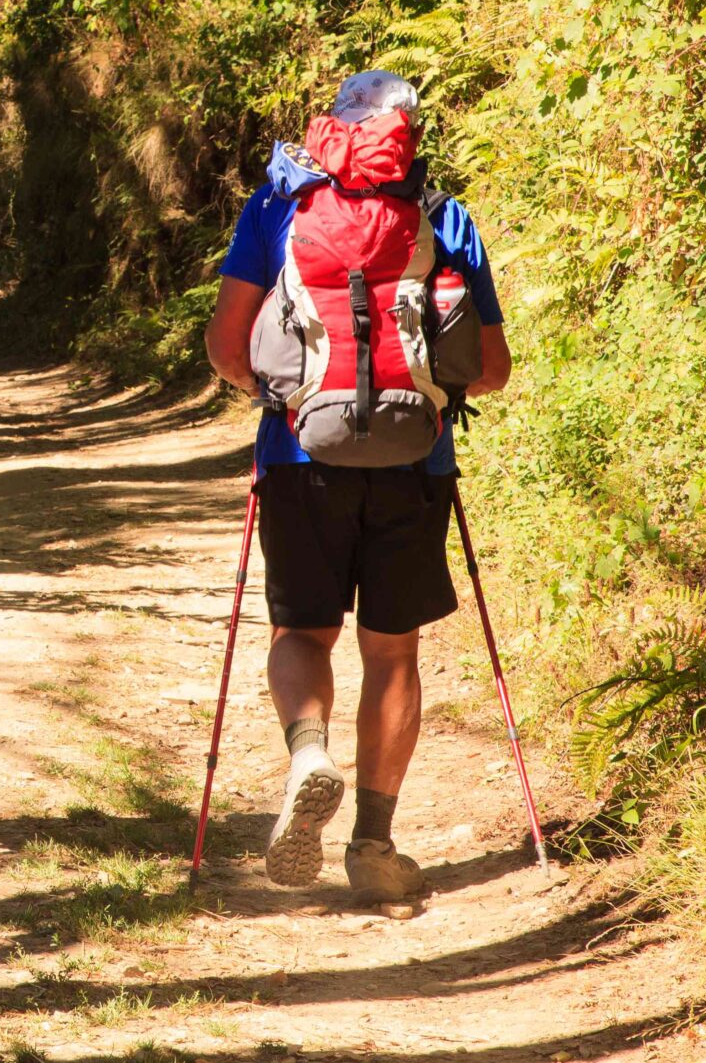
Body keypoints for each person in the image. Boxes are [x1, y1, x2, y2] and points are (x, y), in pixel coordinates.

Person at [204, 70, 512, 901]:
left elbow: (227, 345)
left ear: (332, 130)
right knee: (393, 651)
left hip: (302, 460)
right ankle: (373, 843)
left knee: (302, 631)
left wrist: (286, 399)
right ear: (408, 137)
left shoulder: (278, 209)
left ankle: (309, 749)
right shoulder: (444, 218)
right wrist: (429, 396)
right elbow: (491, 367)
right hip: (416, 467)